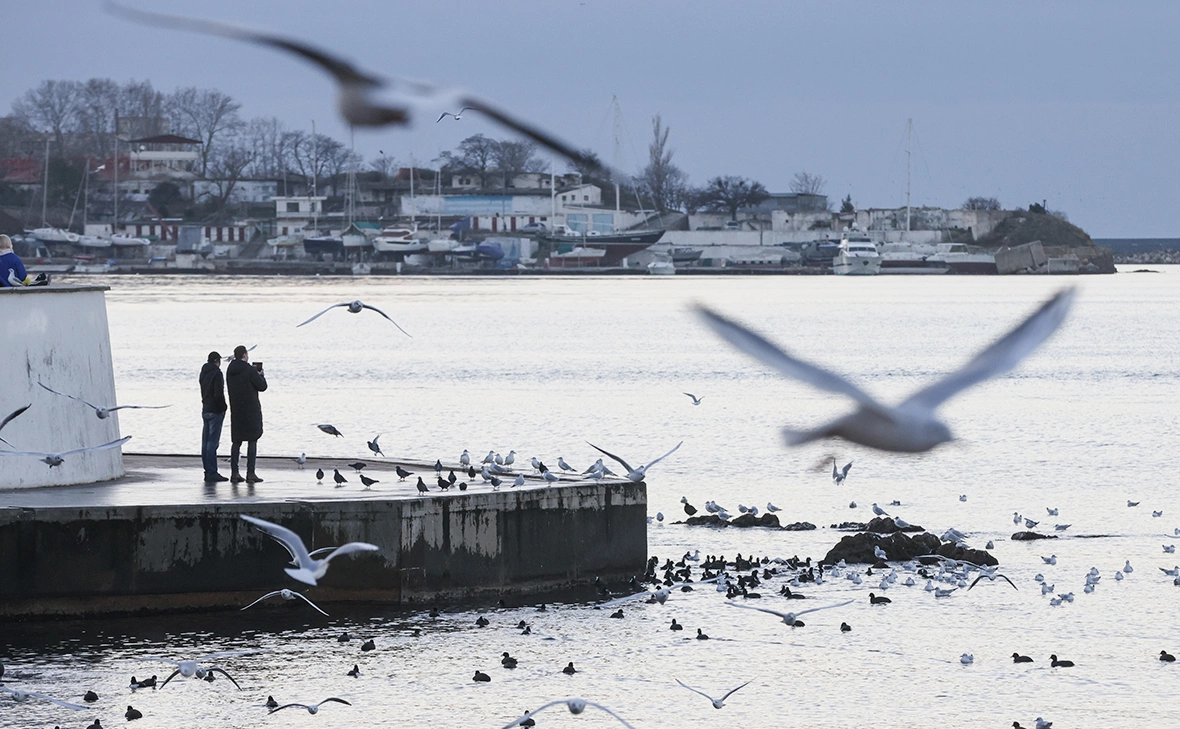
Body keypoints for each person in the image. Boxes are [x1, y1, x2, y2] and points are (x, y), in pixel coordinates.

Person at [225, 344, 267, 483]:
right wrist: (261, 375)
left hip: (236, 410)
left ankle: (234, 473)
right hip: (250, 410)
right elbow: (262, 387)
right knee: (252, 440)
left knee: (236, 442)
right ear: (244, 355)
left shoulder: (230, 370)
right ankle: (250, 473)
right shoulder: (249, 370)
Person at [199, 351, 228, 482]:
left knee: (205, 443)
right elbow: (218, 394)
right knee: (212, 443)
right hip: (215, 411)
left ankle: (207, 471)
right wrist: (224, 407)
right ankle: (212, 472)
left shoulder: (203, 372)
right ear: (217, 360)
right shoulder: (217, 373)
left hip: (205, 409)